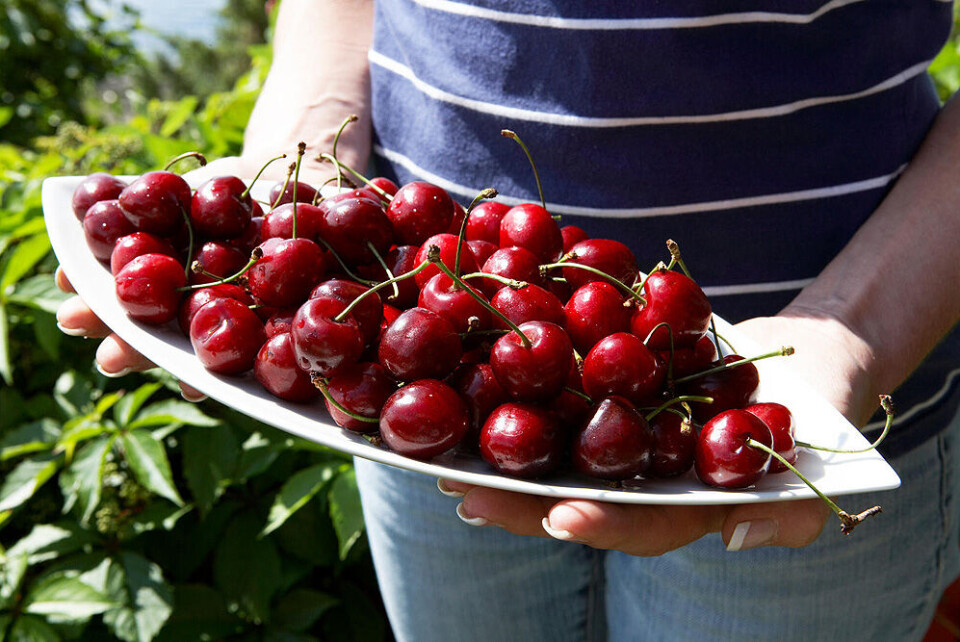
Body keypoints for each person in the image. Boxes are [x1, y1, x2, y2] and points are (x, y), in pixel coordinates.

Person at [57, 0, 960, 639]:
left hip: (814, 404)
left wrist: (850, 329)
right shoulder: (393, 348)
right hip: (423, 399)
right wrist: (309, 141)